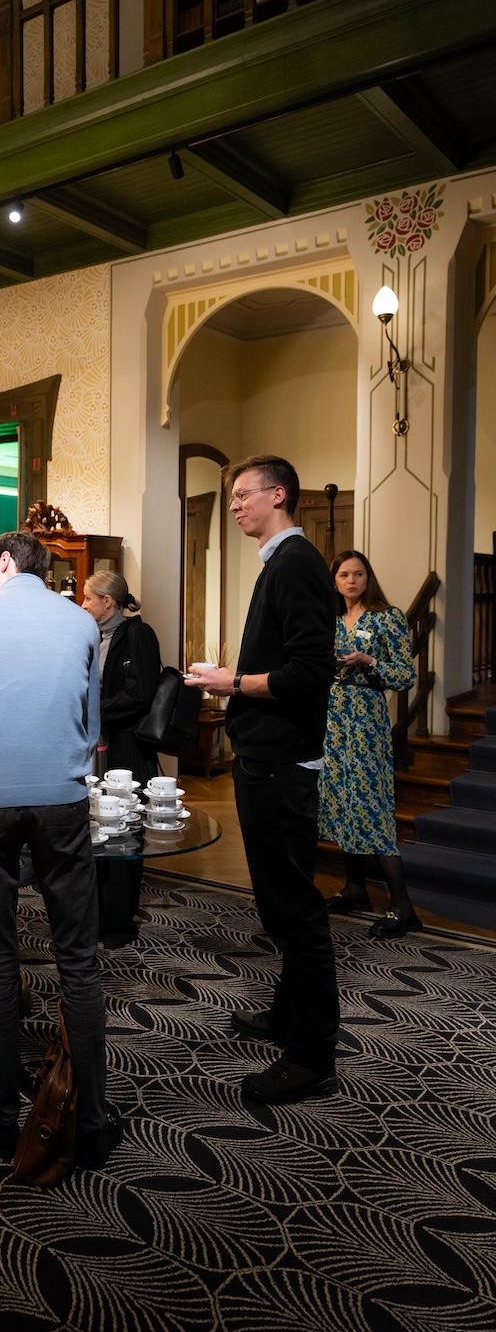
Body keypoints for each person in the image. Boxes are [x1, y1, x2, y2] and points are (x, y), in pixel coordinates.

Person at [0, 529, 123, 1170]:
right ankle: (92, 1120)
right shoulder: (81, 623)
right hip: (61, 797)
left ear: (4, 562)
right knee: (78, 960)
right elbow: (92, 724)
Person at [186, 456, 339, 1106]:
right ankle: (286, 1013)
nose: (234, 505)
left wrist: (232, 683)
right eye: (231, 497)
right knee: (280, 903)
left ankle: (312, 1054)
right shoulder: (282, 562)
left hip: (279, 760)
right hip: (267, 755)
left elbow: (310, 673)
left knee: (294, 909)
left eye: (243, 494)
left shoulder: (296, 563)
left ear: (278, 495)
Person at [319, 550, 419, 938]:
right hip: (332, 721)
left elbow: (405, 675)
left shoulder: (387, 617)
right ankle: (355, 889)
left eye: (358, 574)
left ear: (368, 578)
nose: (351, 580)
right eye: (344, 574)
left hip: (366, 722)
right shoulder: (329, 619)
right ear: (334, 581)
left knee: (370, 806)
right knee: (343, 802)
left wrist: (369, 661)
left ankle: (403, 906)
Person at [81, 570, 161, 946]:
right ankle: (94, 915)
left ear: (107, 602)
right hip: (94, 748)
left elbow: (139, 694)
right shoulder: (91, 637)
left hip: (128, 750)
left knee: (124, 835)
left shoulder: (139, 635)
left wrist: (93, 711)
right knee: (95, 831)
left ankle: (118, 923)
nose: (83, 605)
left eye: (88, 598)